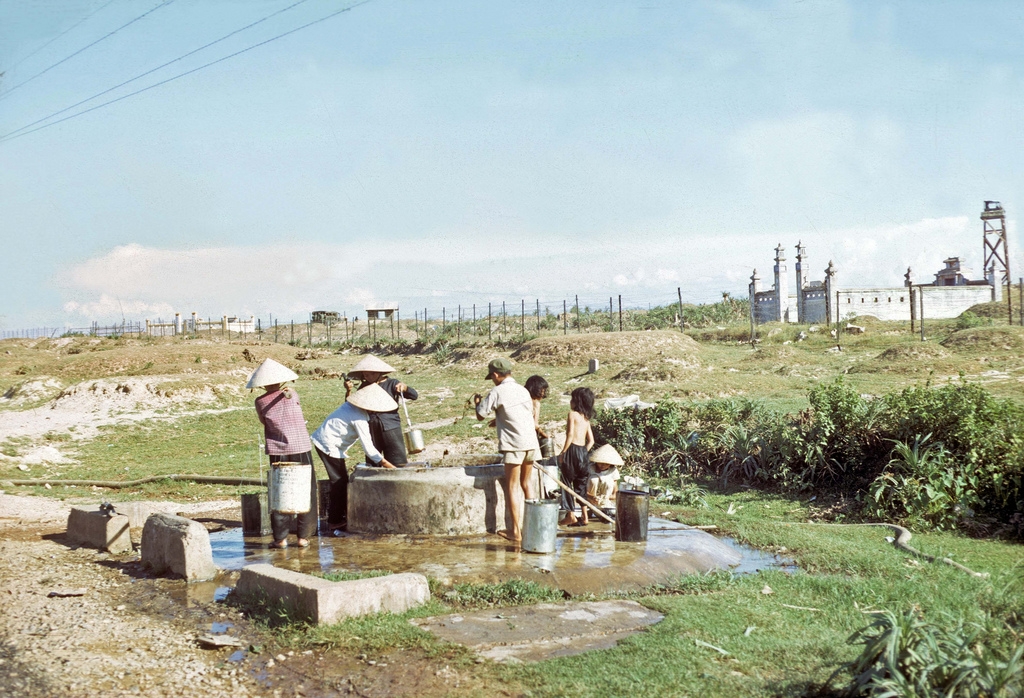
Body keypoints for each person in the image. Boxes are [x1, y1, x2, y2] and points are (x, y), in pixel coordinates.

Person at [310, 383, 399, 535]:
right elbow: (369, 449)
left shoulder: (351, 406)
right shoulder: (359, 419)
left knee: (341, 480)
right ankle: (334, 521)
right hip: (328, 444)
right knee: (339, 482)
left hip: (327, 441)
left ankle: (338, 516)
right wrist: (392, 468)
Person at [248, 358, 316, 549]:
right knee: (305, 489)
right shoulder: (292, 394)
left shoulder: (260, 401)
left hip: (278, 450)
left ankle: (280, 538)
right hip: (301, 447)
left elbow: (264, 422)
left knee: (280, 490)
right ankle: (303, 537)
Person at [474, 358, 540, 542]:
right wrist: (500, 419)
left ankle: (516, 532)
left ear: (496, 375)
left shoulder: (497, 391)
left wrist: (477, 402)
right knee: (527, 484)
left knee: (512, 487)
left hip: (514, 444)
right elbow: (524, 415)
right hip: (531, 442)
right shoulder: (523, 390)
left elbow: (480, 415)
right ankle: (534, 527)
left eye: (492, 377)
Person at [345, 354, 418, 465]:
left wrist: (405, 388)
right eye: (365, 375)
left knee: (397, 459)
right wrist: (349, 391)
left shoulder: (392, 383)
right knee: (373, 459)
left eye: (369, 375)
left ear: (377, 372)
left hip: (390, 425)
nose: (367, 377)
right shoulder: (364, 386)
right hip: (371, 426)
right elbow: (350, 406)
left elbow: (414, 395)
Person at [559, 387, 596, 526]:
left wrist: (563, 453)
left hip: (572, 449)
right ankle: (585, 517)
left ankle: (571, 515)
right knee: (581, 484)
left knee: (566, 482)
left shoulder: (572, 415)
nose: (570, 402)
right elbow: (591, 441)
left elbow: (569, 435)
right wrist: (583, 452)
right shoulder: (586, 419)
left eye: (572, 399)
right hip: (582, 452)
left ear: (576, 402)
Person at [586, 444, 623, 521]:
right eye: (600, 463)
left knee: (608, 481)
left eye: (606, 464)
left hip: (604, 501)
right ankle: (590, 507)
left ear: (610, 464)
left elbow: (615, 494)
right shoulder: (590, 468)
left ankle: (601, 509)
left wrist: (604, 498)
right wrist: (591, 497)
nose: (602, 465)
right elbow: (582, 489)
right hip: (590, 499)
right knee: (594, 479)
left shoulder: (613, 471)